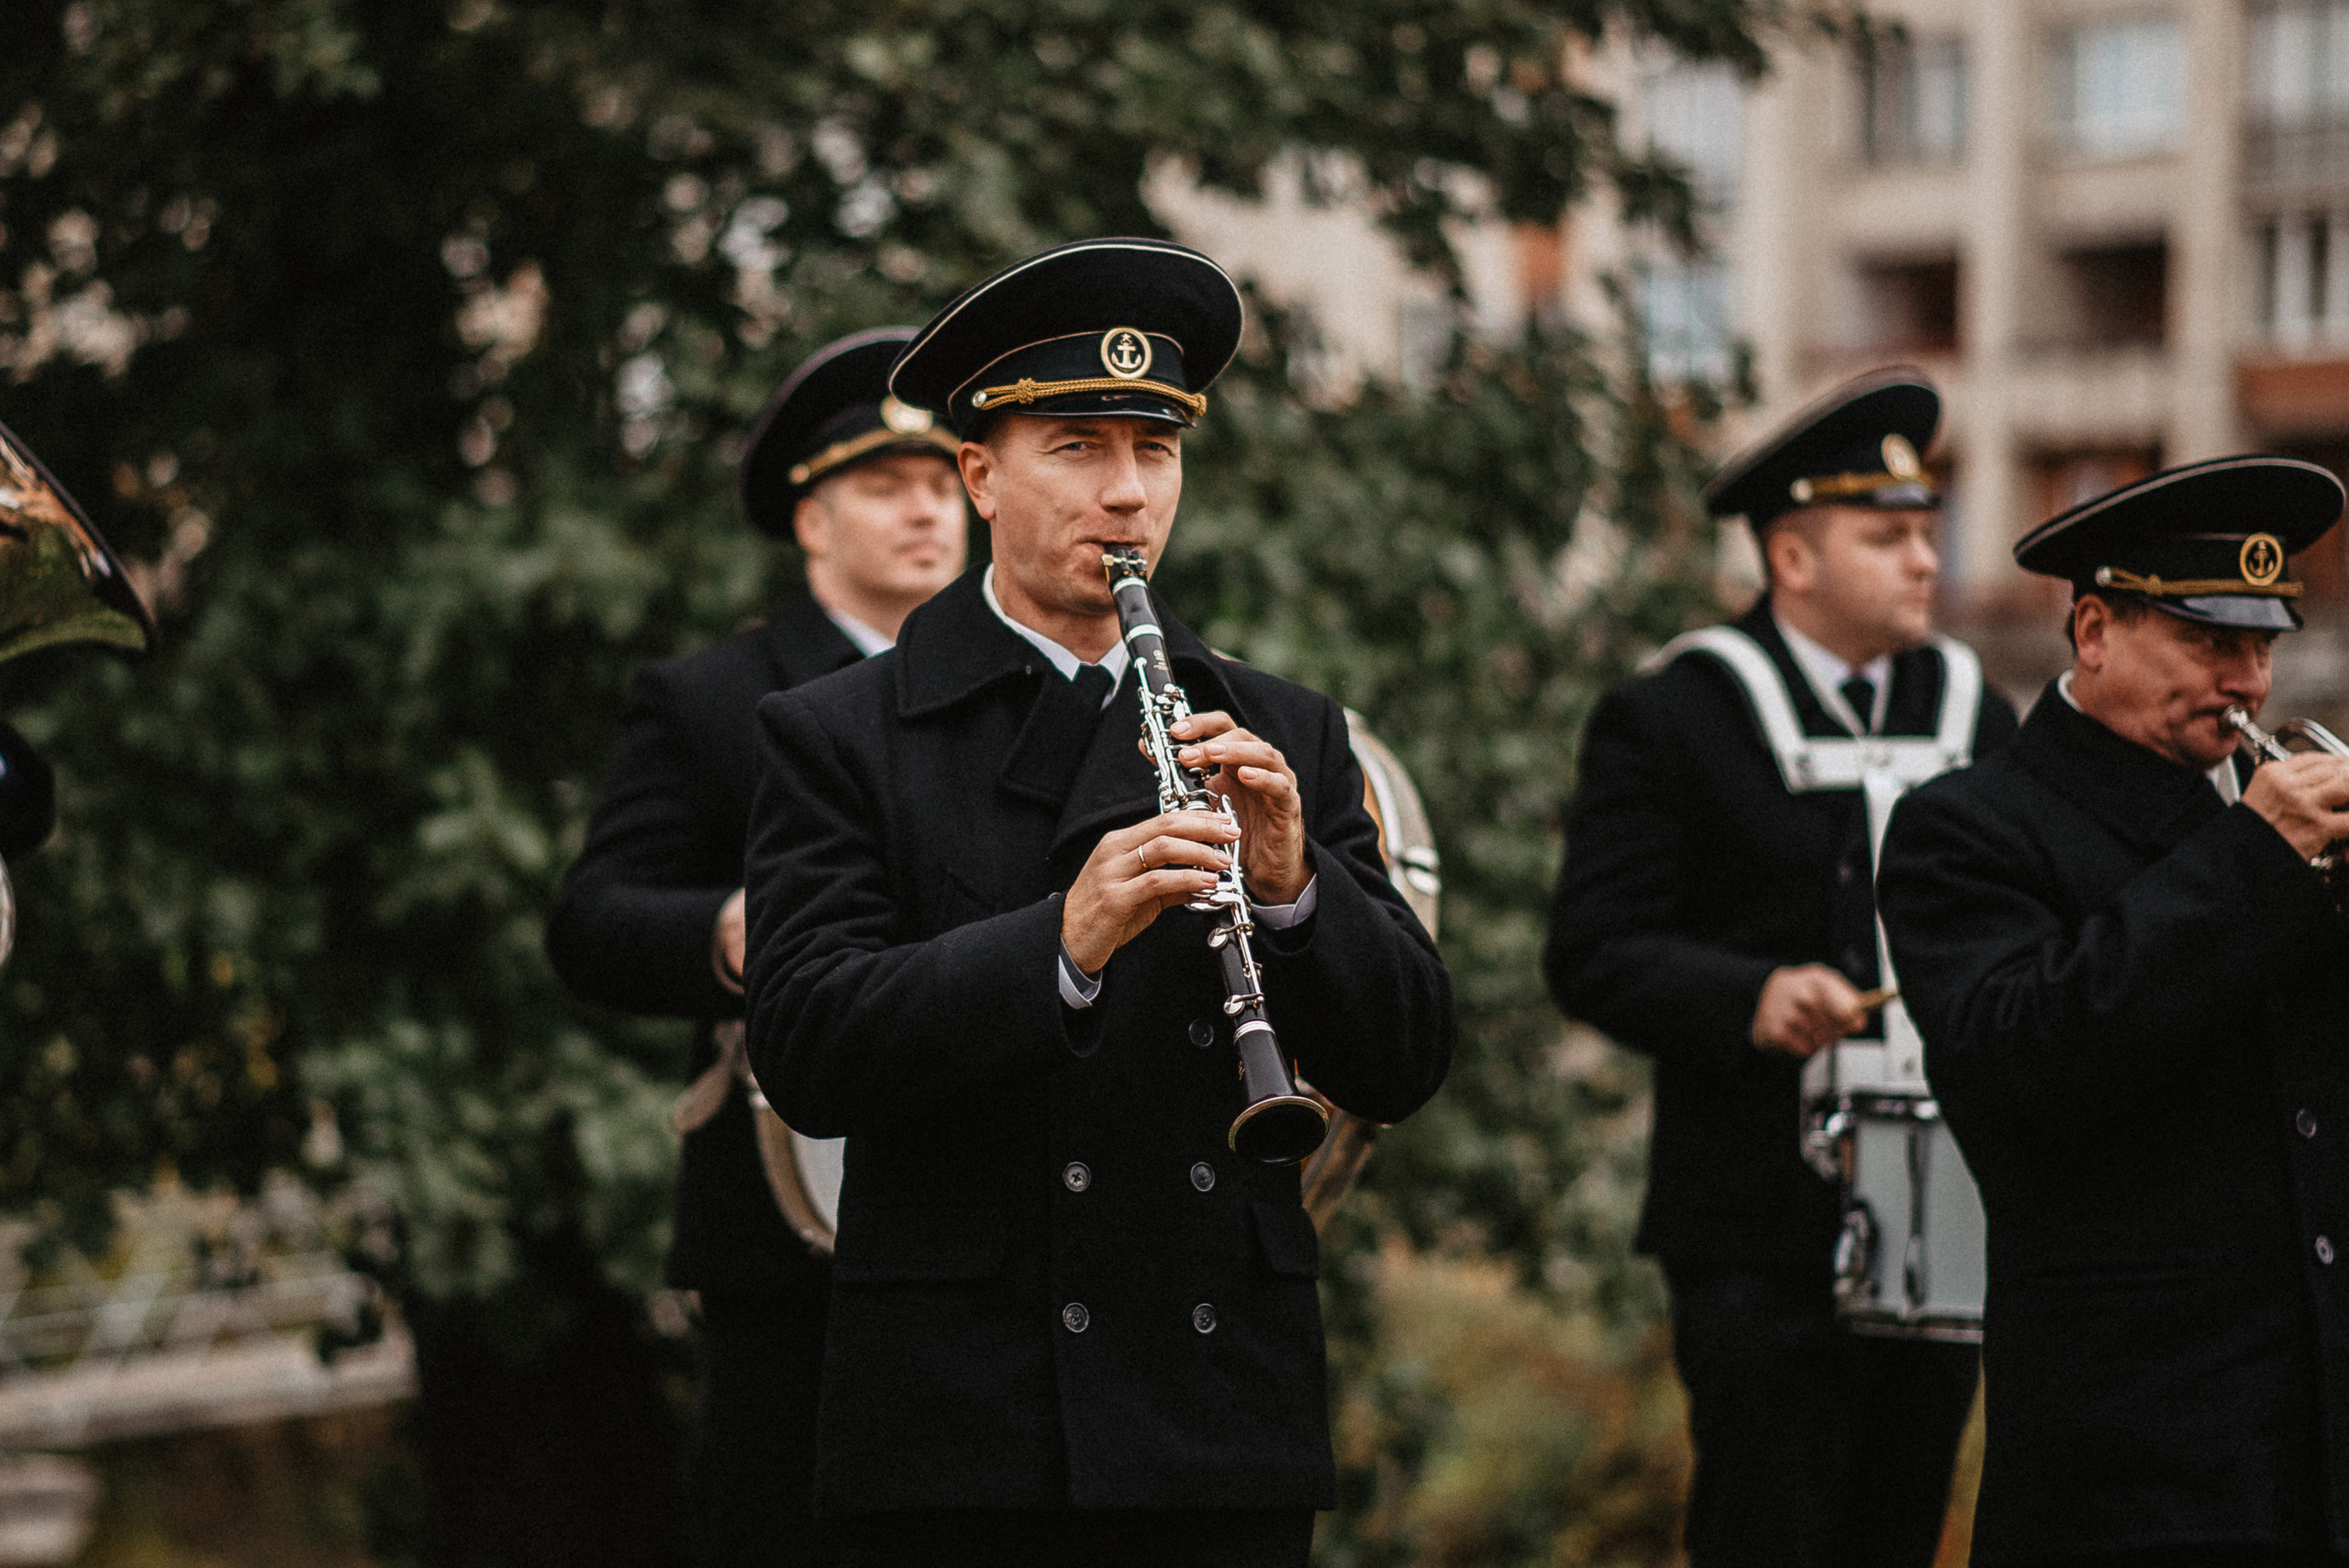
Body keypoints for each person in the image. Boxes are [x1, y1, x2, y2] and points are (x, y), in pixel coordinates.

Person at [738, 238, 1454, 1568]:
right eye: (1076, 447)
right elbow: (806, 1049)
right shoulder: (840, 733)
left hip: (1219, 1413)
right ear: (980, 474)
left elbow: (1405, 1058)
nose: (1127, 491)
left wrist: (1296, 889)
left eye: (1156, 449)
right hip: (970, 1423)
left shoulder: (1285, 725)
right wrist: (1060, 943)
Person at [1544, 367, 2018, 1566]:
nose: (1925, 560)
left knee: (1900, 1526)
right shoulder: (1672, 714)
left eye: (1927, 531)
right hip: (1756, 1220)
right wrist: (1750, 996)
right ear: (1793, 557)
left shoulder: (1975, 711)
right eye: (1887, 538)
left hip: (1943, 1202)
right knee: (1767, 1528)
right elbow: (1592, 950)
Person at [1876, 456, 2349, 1568]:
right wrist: (2255, 860)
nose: (2247, 681)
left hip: (2314, 1447)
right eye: (2208, 641)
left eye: (2263, 646)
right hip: (2133, 1460)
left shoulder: (2271, 829)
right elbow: (2018, 1064)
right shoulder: (1969, 826)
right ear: (2093, 630)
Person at [545, 327, 966, 1568]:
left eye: (943, 482)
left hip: (994, 1210)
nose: (925, 510)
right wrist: (730, 928)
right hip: (791, 1239)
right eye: (884, 485)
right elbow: (591, 919)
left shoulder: (1033, 683)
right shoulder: (712, 696)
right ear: (810, 521)